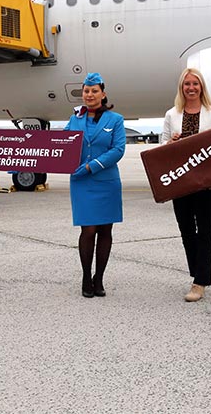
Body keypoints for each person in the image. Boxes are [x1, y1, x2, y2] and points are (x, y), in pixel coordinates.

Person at [161, 67, 211, 302]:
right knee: (186, 230)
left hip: (206, 183)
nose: (191, 88)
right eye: (187, 84)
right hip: (181, 181)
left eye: (195, 84)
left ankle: (200, 281)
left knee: (205, 230)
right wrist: (171, 143)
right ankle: (198, 272)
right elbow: (163, 147)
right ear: (182, 87)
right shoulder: (172, 114)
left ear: (201, 87)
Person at [64, 72, 126, 298]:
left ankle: (98, 278)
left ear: (103, 94)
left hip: (106, 181)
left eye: (94, 91)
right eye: (86, 91)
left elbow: (118, 149)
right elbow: (63, 145)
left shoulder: (115, 119)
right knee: (88, 230)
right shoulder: (75, 119)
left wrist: (92, 166)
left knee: (105, 230)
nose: (89, 95)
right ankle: (85, 277)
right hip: (81, 183)